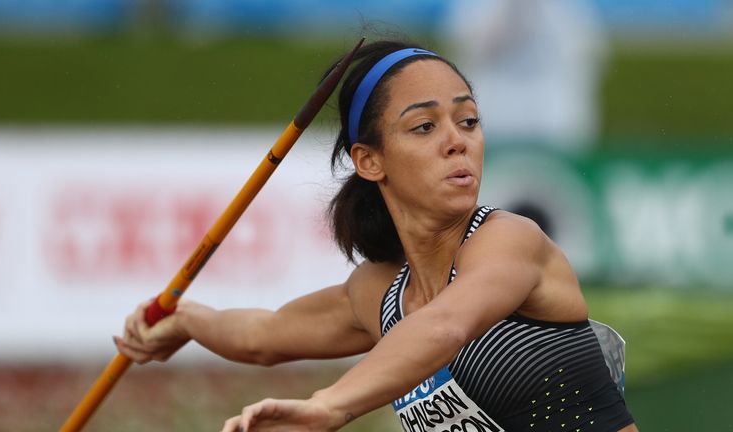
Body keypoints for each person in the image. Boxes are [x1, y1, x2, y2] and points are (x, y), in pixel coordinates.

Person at [115, 39, 637, 432]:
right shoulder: (378, 295)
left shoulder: (510, 240)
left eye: (469, 121)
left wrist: (329, 404)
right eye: (424, 127)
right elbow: (264, 336)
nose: (457, 142)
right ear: (370, 160)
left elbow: (445, 327)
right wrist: (185, 321)